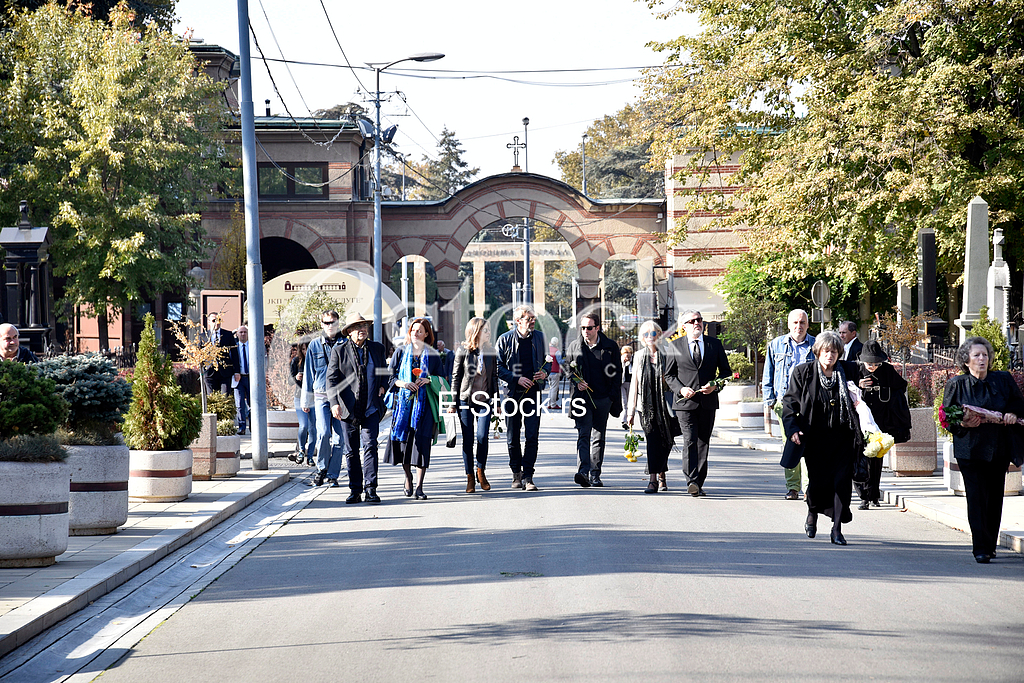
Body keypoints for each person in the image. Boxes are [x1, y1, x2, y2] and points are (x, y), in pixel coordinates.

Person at [942, 336, 1024, 563]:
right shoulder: (957, 384)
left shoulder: (1003, 380)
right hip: (970, 450)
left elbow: (1018, 403)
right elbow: (947, 416)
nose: (982, 359)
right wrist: (963, 422)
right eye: (976, 355)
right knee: (976, 499)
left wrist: (1013, 414)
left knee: (994, 498)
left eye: (985, 355)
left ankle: (991, 544)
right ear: (966, 360)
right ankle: (980, 547)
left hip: (998, 449)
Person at [781, 331, 864, 546]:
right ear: (818, 352)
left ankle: (836, 530)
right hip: (815, 439)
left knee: (841, 484)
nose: (830, 356)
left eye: (834, 352)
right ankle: (812, 513)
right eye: (826, 351)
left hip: (843, 438)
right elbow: (789, 404)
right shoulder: (803, 373)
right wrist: (792, 430)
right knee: (818, 483)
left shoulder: (849, 370)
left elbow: (864, 397)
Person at [663, 310, 731, 497]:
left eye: (699, 320)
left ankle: (699, 482)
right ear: (684, 326)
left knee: (703, 442)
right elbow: (669, 375)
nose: (697, 323)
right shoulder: (675, 346)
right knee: (690, 440)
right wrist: (681, 389)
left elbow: (726, 373)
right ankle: (691, 480)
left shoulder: (714, 345)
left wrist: (715, 386)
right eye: (692, 321)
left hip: (707, 402)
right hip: (685, 403)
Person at [327, 313, 388, 505]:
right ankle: (355, 490)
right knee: (351, 450)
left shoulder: (377, 349)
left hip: (371, 407)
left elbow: (384, 372)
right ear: (349, 332)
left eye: (364, 325)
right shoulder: (340, 351)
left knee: (370, 446)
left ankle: (371, 489)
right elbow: (331, 379)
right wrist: (334, 403)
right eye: (357, 326)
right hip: (348, 408)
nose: (362, 329)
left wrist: (383, 386)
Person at [384, 317, 442, 500]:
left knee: (423, 444)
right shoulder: (401, 352)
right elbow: (390, 378)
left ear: (426, 334)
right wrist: (403, 383)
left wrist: (429, 379)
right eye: (413, 330)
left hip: (425, 407)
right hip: (404, 407)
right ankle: (408, 477)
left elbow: (443, 378)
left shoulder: (432, 355)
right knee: (405, 446)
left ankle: (419, 486)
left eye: (420, 331)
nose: (415, 333)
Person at [763, 309, 816, 500]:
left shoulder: (816, 345)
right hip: (785, 402)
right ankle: (792, 487)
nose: (798, 326)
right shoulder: (776, 345)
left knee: (809, 444)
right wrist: (769, 400)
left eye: (802, 323)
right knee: (791, 443)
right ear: (788, 324)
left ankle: (809, 488)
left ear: (808, 325)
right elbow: (768, 373)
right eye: (795, 323)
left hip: (809, 403)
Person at [564, 313, 622, 488]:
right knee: (583, 434)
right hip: (582, 399)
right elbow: (567, 368)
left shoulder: (610, 347)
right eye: (583, 328)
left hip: (603, 398)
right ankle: (583, 472)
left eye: (589, 328)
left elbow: (617, 373)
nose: (585, 331)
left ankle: (595, 474)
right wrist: (576, 381)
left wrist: (611, 396)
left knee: (598, 437)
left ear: (597, 328)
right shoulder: (574, 346)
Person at [495, 305, 548, 491]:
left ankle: (529, 476)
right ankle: (516, 473)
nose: (533, 321)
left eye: (534, 318)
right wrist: (517, 379)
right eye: (529, 319)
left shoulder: (540, 337)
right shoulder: (504, 339)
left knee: (532, 435)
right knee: (513, 436)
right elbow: (497, 367)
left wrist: (545, 373)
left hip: (533, 394)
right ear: (518, 321)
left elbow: (547, 361)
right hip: (512, 394)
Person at [854, 340, 912, 510]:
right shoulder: (856, 370)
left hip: (881, 422)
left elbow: (901, 387)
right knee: (860, 459)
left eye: (876, 363)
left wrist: (885, 388)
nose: (872, 367)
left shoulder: (886, 370)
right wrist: (859, 384)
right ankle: (863, 496)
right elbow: (845, 387)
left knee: (876, 460)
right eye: (869, 363)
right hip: (860, 422)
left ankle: (873, 495)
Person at [450, 317, 498, 493]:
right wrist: (452, 403)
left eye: (489, 330)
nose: (488, 333)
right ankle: (469, 476)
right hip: (466, 400)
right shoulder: (463, 351)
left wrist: (497, 401)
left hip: (484, 400)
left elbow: (494, 378)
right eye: (485, 330)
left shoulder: (491, 351)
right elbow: (455, 378)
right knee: (468, 439)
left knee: (482, 436)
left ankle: (481, 471)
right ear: (475, 331)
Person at [625, 321, 674, 493]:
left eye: (653, 333)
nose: (649, 337)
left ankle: (662, 473)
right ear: (642, 338)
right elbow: (634, 385)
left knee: (666, 441)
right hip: (645, 408)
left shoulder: (667, 354)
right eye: (646, 334)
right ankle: (653, 478)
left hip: (665, 406)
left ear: (659, 335)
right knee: (653, 441)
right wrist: (630, 412)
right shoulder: (638, 356)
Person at [301, 310, 346, 488]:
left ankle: (333, 474)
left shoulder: (345, 343)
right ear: (321, 324)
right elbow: (308, 374)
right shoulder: (314, 345)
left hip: (341, 397)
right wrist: (306, 400)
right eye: (326, 322)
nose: (330, 325)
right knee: (324, 433)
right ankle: (321, 469)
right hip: (320, 396)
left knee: (339, 438)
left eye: (333, 322)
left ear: (338, 323)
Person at [289, 341, 315, 466]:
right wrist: (296, 378)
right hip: (299, 396)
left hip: (314, 397)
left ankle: (310, 456)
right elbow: (289, 380)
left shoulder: (316, 360)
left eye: (307, 349)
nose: (306, 352)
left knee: (313, 428)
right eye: (303, 349)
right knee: (303, 425)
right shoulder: (296, 361)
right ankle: (301, 451)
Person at [229, 324, 252, 435]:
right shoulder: (234, 348)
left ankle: (253, 426)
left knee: (252, 403)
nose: (243, 334)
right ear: (237, 334)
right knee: (239, 404)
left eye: (245, 332)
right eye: (241, 332)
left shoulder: (253, 346)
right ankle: (242, 426)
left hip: (251, 378)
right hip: (238, 378)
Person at [203, 312, 234, 394]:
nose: (217, 323)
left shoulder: (228, 335)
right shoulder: (203, 336)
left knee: (225, 397)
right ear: (209, 322)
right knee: (211, 398)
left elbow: (234, 354)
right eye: (214, 320)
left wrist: (237, 371)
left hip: (225, 372)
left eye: (219, 320)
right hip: (209, 372)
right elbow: (200, 355)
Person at [546, 339, 562, 410]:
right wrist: (566, 359)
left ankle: (549, 403)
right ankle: (553, 404)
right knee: (554, 389)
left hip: (548, 372)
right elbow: (560, 361)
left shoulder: (547, 350)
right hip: (555, 371)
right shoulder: (557, 351)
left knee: (551, 388)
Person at [620, 345, 634, 428]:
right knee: (624, 403)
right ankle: (624, 421)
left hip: (631, 384)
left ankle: (629, 419)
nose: (627, 355)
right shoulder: (619, 361)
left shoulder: (634, 361)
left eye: (629, 353)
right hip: (622, 384)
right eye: (625, 353)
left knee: (630, 403)